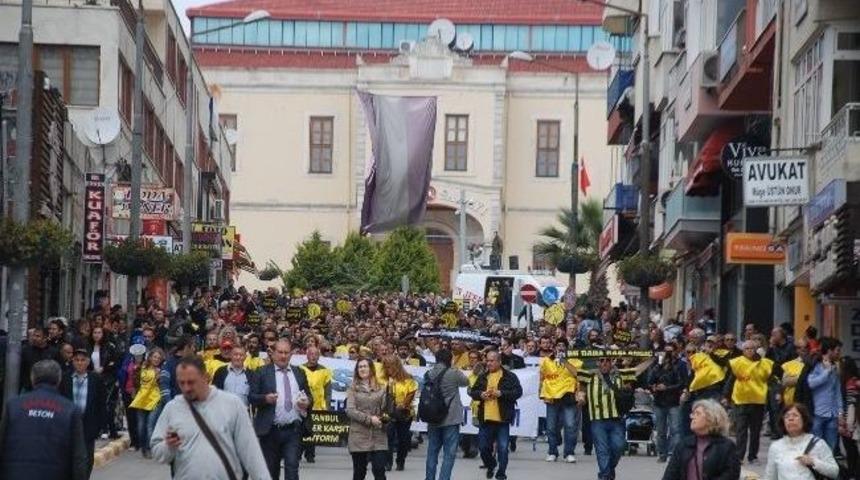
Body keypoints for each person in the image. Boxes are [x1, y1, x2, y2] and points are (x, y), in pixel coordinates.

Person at [151, 355, 271, 480]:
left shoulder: (232, 405)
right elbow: (157, 452)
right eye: (181, 383)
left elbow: (251, 452)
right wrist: (168, 446)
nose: (186, 388)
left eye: (191, 382)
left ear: (206, 377)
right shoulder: (173, 408)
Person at [0, 359, 88, 480]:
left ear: (32, 378)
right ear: (59, 380)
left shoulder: (13, 406)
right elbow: (79, 459)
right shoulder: (70, 410)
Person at [576, 354, 654, 480]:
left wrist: (652, 358)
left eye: (608, 360)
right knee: (602, 450)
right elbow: (575, 371)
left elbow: (637, 370)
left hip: (616, 418)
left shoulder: (620, 374)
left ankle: (608, 469)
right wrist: (563, 359)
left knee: (619, 447)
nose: (605, 363)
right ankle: (605, 476)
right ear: (597, 362)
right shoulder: (590, 375)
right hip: (598, 419)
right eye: (602, 360)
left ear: (612, 362)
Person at [250, 339, 313, 480]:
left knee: (292, 467)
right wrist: (265, 399)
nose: (283, 356)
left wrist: (307, 402)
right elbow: (252, 397)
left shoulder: (299, 373)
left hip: (293, 430)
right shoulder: (261, 372)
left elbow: (309, 395)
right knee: (271, 471)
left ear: (291, 354)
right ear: (273, 354)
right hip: (270, 430)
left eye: (286, 353)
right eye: (280, 352)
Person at [468, 351, 523, 480]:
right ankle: (491, 464)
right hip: (486, 418)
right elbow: (473, 391)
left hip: (502, 419)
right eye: (487, 360)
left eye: (492, 361)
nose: (489, 363)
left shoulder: (509, 376)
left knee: (503, 448)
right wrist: (481, 394)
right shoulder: (483, 376)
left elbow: (518, 392)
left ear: (499, 362)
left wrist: (501, 393)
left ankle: (501, 473)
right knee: (483, 447)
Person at [661, 399, 741, 480]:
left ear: (711, 418)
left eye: (697, 414)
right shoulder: (683, 445)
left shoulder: (726, 446)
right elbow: (670, 475)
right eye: (693, 413)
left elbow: (731, 475)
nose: (692, 417)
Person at [724, 339, 773, 465]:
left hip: (758, 401)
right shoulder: (737, 363)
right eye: (747, 349)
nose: (750, 351)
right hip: (741, 400)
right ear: (743, 351)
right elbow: (730, 380)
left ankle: (753, 456)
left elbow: (771, 379)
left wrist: (775, 393)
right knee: (741, 430)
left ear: (756, 349)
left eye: (752, 348)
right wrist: (726, 396)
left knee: (755, 431)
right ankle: (739, 456)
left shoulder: (764, 363)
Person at [424, 348, 470, 480]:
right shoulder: (453, 373)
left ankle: (429, 478)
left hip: (432, 417)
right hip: (450, 418)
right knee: (449, 454)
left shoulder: (429, 373)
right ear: (450, 359)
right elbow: (466, 382)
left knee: (432, 451)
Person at [60, 348, 107, 477]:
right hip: (69, 424)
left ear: (87, 362)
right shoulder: (65, 378)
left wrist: (102, 425)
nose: (79, 363)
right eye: (76, 360)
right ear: (72, 362)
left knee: (86, 458)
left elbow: (101, 403)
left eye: (82, 360)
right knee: (69, 456)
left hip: (88, 424)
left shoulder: (95, 379)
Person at [763, 403, 840, 480]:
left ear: (804, 420)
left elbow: (834, 472)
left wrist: (813, 462)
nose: (790, 419)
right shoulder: (776, 447)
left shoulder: (818, 444)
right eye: (786, 417)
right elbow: (770, 476)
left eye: (795, 415)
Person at [539, 339, 582, 463]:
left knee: (570, 425)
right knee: (551, 427)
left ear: (567, 348)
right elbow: (543, 378)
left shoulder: (574, 360)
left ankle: (569, 452)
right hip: (552, 397)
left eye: (563, 346)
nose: (561, 347)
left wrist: (565, 361)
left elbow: (577, 374)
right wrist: (541, 392)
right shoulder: (547, 361)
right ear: (554, 348)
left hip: (568, 397)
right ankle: (552, 451)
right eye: (558, 345)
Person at [346, 358, 389, 480]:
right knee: (359, 472)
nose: (363, 369)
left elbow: (386, 409)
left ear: (371, 368)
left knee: (379, 470)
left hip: (378, 434)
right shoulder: (352, 388)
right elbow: (350, 410)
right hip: (359, 435)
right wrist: (369, 419)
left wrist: (389, 412)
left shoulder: (381, 387)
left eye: (365, 366)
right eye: (360, 367)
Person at [648, 344, 686, 463]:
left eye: (670, 352)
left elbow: (681, 383)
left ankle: (675, 454)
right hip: (659, 402)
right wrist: (654, 387)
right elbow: (649, 381)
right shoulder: (657, 366)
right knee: (661, 430)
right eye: (665, 352)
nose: (667, 355)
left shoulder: (678, 366)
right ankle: (662, 454)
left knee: (675, 429)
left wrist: (667, 388)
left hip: (673, 401)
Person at [382, 355, 418, 471]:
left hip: (404, 413)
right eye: (386, 367)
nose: (388, 369)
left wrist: (403, 404)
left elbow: (411, 393)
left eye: (390, 367)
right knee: (388, 437)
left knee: (403, 439)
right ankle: (388, 462)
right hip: (388, 413)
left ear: (397, 366)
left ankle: (400, 460)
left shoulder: (408, 379)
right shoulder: (384, 379)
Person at [807, 337, 843, 450]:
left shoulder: (835, 368)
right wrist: (826, 372)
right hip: (818, 413)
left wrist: (840, 412)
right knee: (815, 448)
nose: (839, 353)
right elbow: (811, 383)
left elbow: (837, 392)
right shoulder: (816, 366)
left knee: (830, 447)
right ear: (829, 351)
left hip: (832, 414)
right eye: (837, 350)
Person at [130, 347, 165, 458]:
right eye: (154, 357)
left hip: (155, 399)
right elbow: (135, 382)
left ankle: (150, 448)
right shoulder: (141, 368)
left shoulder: (161, 371)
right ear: (150, 357)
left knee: (150, 425)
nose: (156, 359)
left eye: (158, 358)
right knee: (141, 426)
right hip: (142, 399)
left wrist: (159, 377)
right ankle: (143, 447)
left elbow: (163, 385)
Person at [300, 345, 332, 463]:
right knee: (301, 429)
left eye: (315, 354)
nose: (313, 357)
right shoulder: (300, 369)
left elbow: (328, 391)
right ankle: (298, 453)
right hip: (303, 404)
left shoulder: (325, 371)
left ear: (319, 356)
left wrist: (327, 405)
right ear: (307, 355)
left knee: (312, 431)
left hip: (318, 405)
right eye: (311, 354)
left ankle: (310, 454)